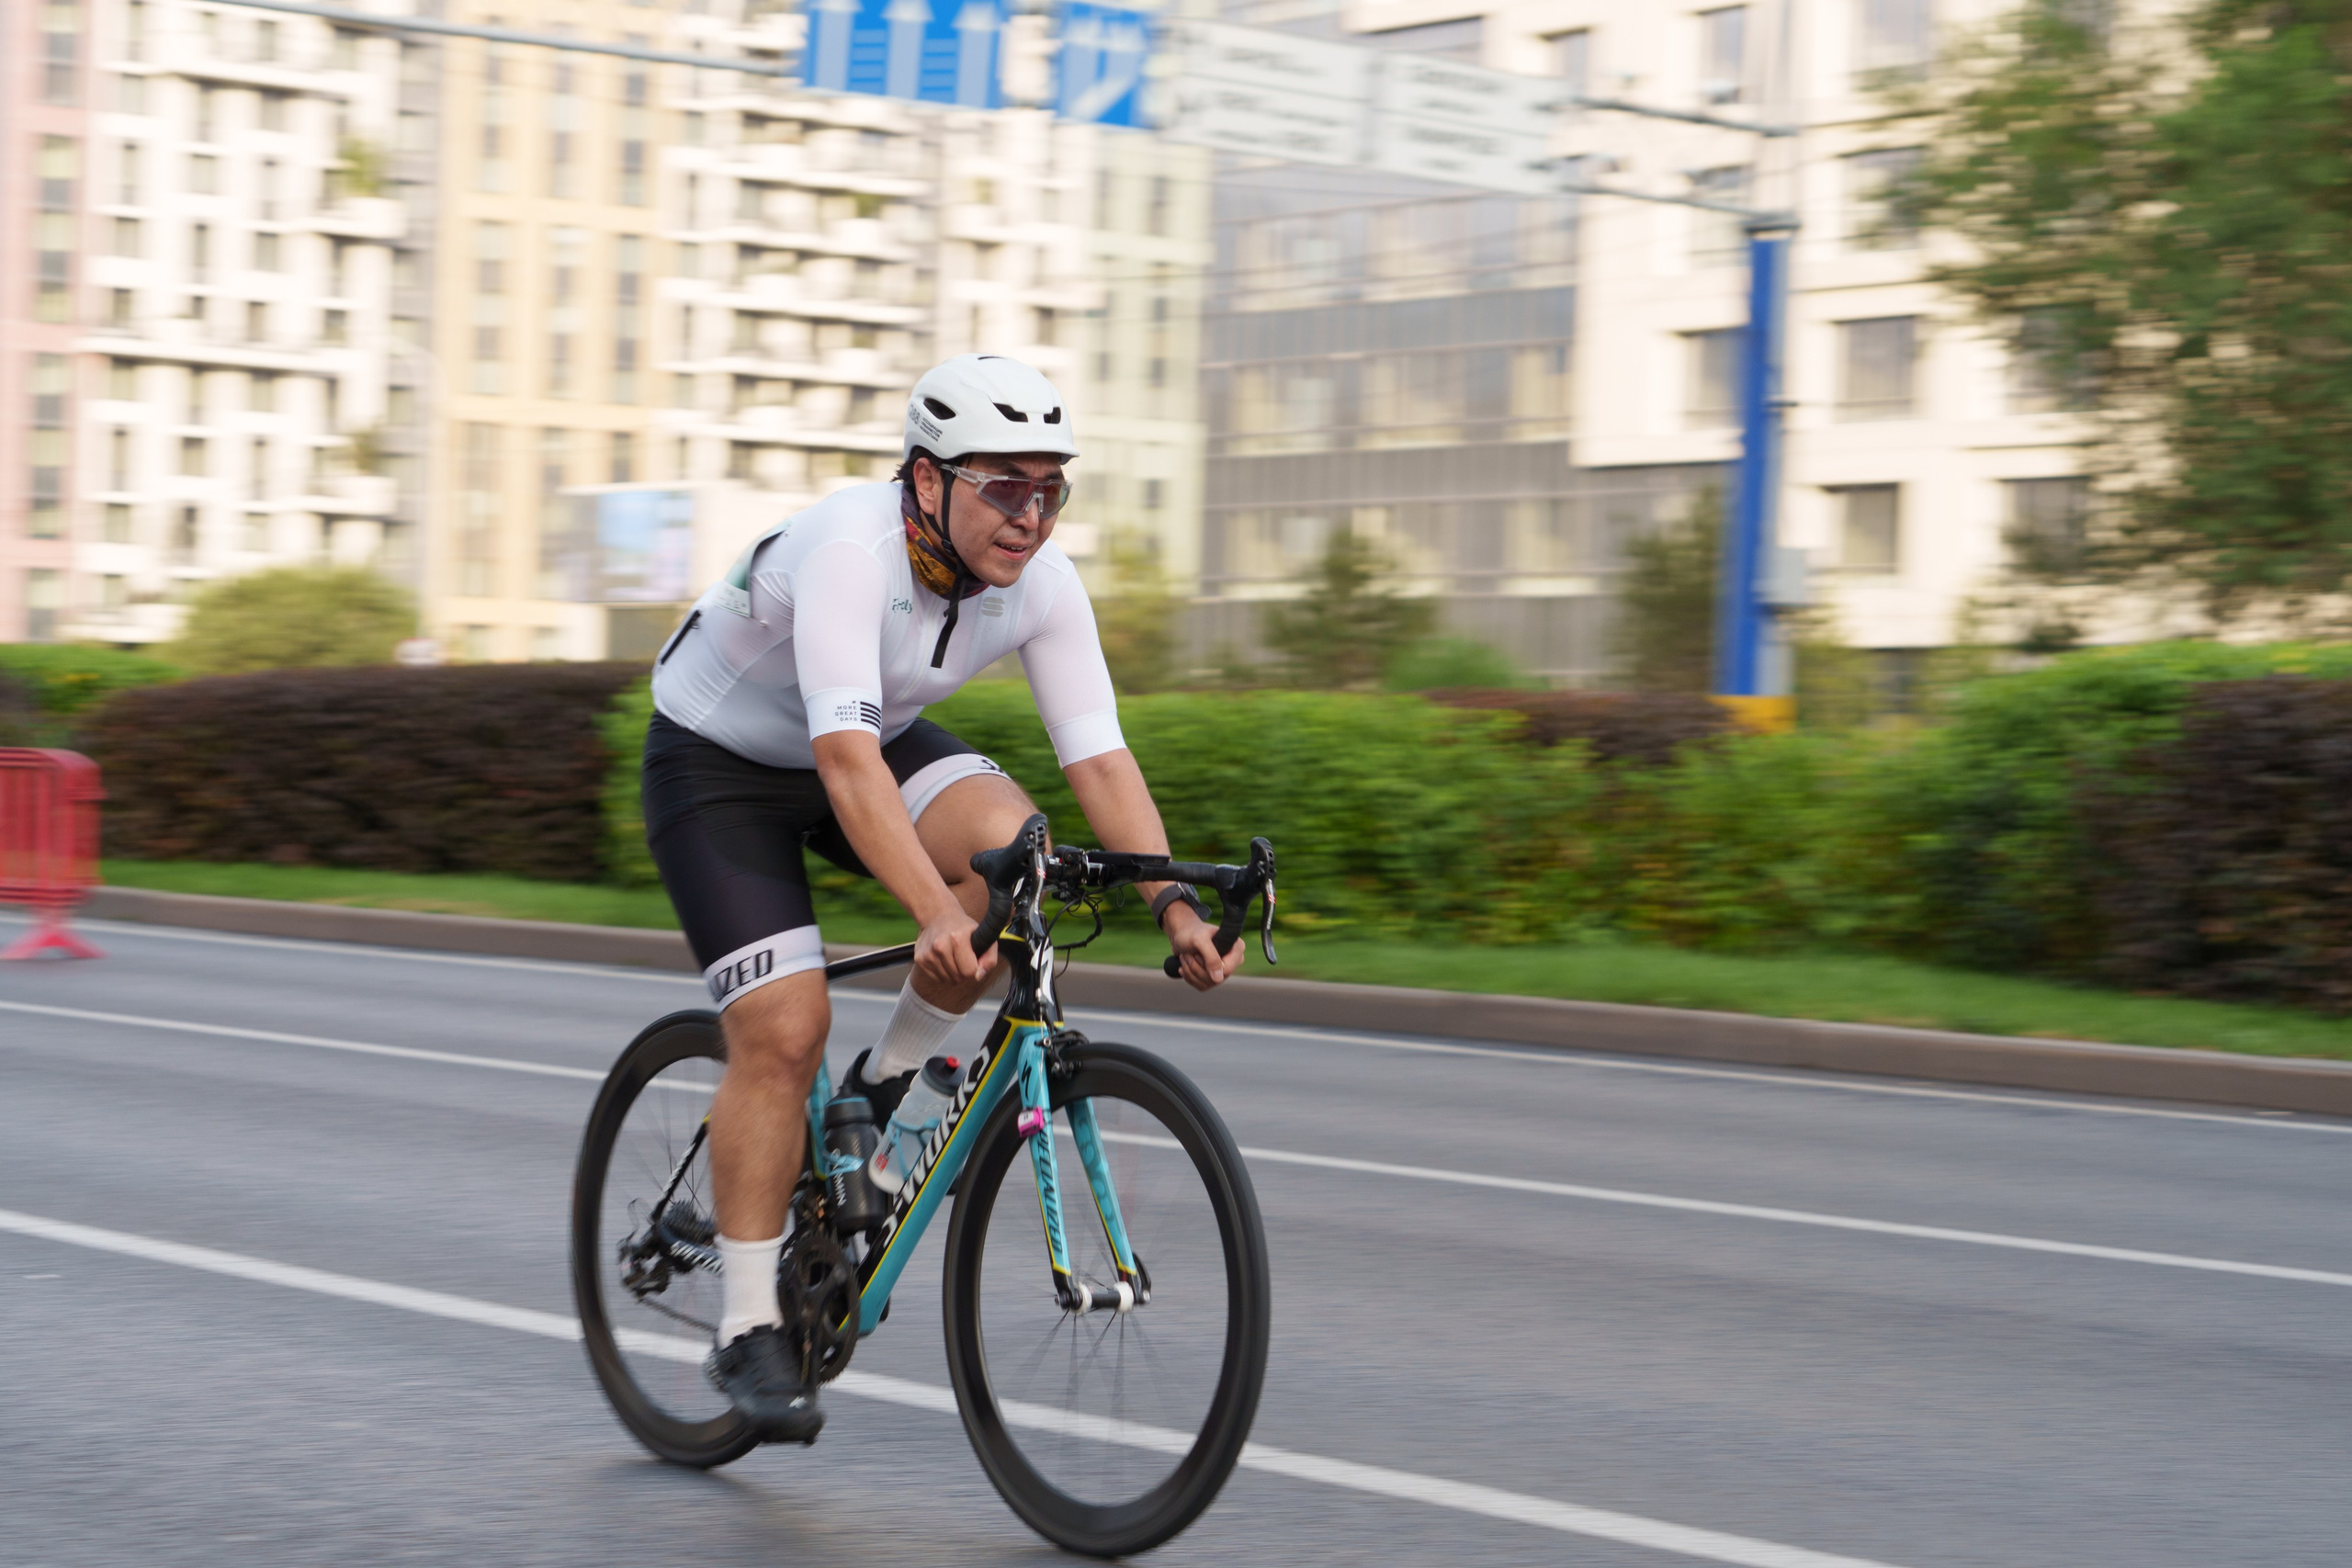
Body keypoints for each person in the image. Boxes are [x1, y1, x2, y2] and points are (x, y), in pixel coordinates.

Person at [642, 354, 1243, 1442]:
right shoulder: (848, 554)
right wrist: (928, 910)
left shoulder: (1041, 585)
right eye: (1002, 486)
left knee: (1023, 866)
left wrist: (1174, 909)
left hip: (865, 733)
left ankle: (878, 1101)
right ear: (927, 481)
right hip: (719, 760)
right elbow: (842, 760)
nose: (1030, 516)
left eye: (1049, 488)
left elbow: (1100, 762)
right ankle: (744, 1329)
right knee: (783, 1028)